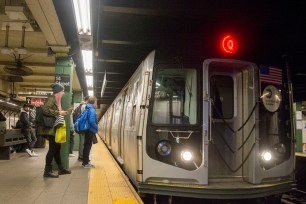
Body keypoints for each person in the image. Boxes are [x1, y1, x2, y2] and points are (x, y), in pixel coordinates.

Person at [38, 83, 71, 178]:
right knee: (52, 150)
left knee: (57, 149)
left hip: (55, 129)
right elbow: (45, 110)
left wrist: (64, 111)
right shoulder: (51, 99)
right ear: (58, 92)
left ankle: (61, 169)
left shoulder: (56, 100)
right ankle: (47, 171)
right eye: (62, 91)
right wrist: (58, 112)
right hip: (50, 129)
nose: (63, 93)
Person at [82, 96, 98, 168]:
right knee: (87, 146)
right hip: (90, 130)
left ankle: (86, 161)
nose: (96, 104)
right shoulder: (92, 110)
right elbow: (92, 121)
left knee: (86, 146)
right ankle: (85, 163)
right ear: (94, 102)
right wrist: (96, 127)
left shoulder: (88, 108)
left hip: (88, 129)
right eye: (96, 102)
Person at [76, 95, 89, 161]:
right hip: (83, 127)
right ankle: (81, 156)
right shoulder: (84, 106)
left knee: (82, 141)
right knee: (82, 142)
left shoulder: (81, 105)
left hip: (80, 126)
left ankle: (81, 156)